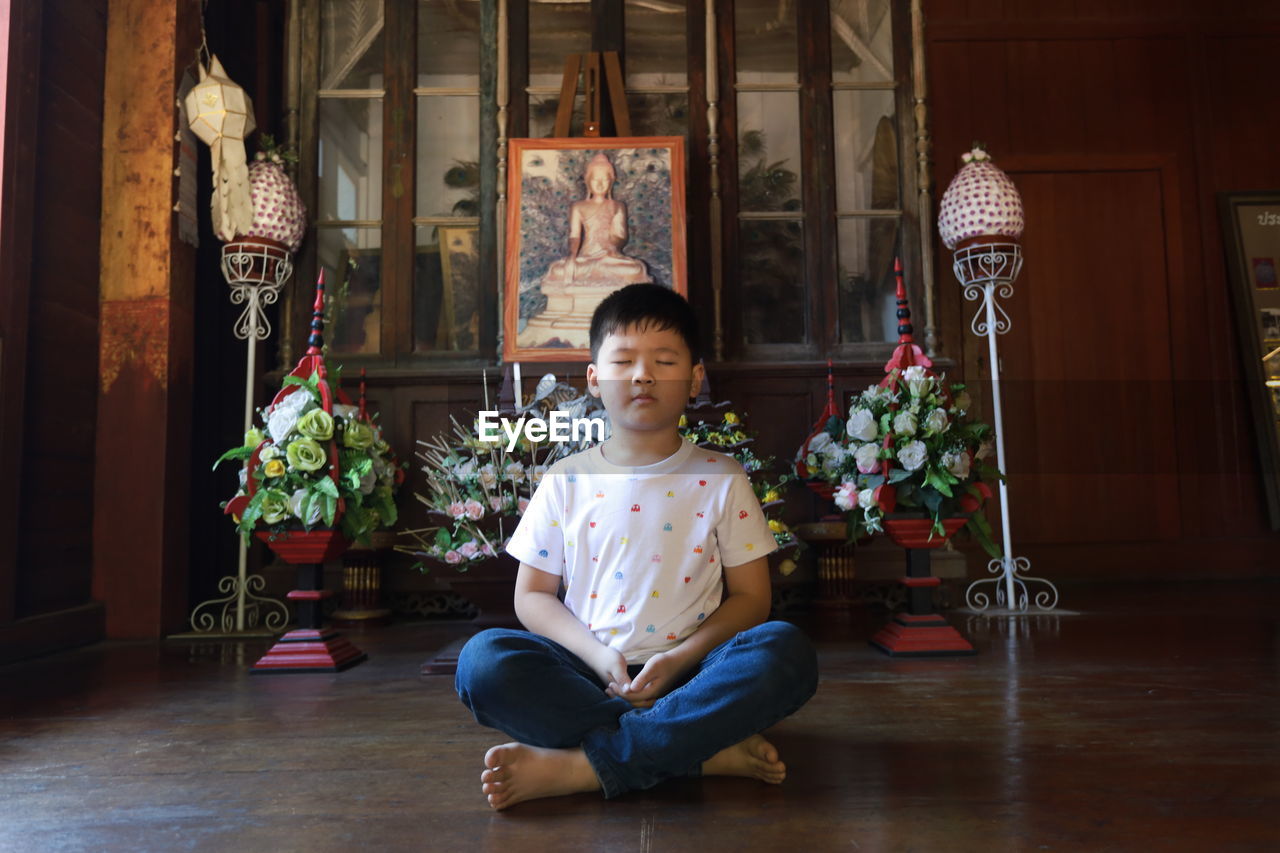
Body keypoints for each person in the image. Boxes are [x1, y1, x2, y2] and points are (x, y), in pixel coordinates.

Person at [455, 283, 819, 810]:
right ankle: (695, 751)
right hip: (588, 671)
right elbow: (531, 597)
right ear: (594, 379)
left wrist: (675, 661)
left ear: (694, 378)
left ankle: (583, 766)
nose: (642, 375)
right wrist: (601, 658)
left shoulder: (722, 477)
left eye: (664, 360)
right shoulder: (565, 478)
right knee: (483, 661)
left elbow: (752, 600)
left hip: (694, 675)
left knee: (786, 652)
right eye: (623, 360)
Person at [540, 153, 652, 289]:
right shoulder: (579, 206)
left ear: (611, 182)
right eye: (595, 180)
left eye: (605, 180)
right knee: (557, 269)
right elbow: (574, 235)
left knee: (636, 269)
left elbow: (622, 237)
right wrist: (572, 256)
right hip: (586, 258)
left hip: (610, 258)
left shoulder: (617, 206)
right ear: (588, 182)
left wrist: (612, 241)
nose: (600, 184)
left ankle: (598, 272)